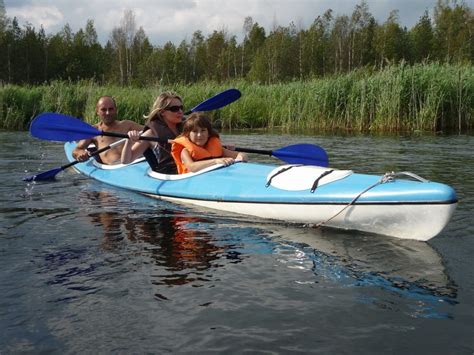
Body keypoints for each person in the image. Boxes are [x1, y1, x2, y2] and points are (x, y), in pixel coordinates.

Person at [121, 91, 184, 174]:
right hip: (171, 174)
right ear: (162, 112)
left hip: (188, 168)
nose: (180, 111)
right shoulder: (151, 134)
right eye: (174, 109)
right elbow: (126, 160)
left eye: (181, 108)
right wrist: (128, 141)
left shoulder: (187, 127)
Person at [72, 96, 143, 164]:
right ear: (97, 111)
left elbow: (150, 131)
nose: (108, 113)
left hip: (134, 164)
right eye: (103, 109)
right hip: (113, 169)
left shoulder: (128, 125)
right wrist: (80, 154)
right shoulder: (94, 131)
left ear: (116, 110)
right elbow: (76, 150)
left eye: (111, 109)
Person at [171, 112, 247, 174]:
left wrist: (241, 157)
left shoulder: (218, 148)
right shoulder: (185, 151)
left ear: (208, 133)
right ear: (188, 134)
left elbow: (239, 155)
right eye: (195, 131)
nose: (199, 135)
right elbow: (192, 167)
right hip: (191, 183)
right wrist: (215, 161)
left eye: (203, 130)